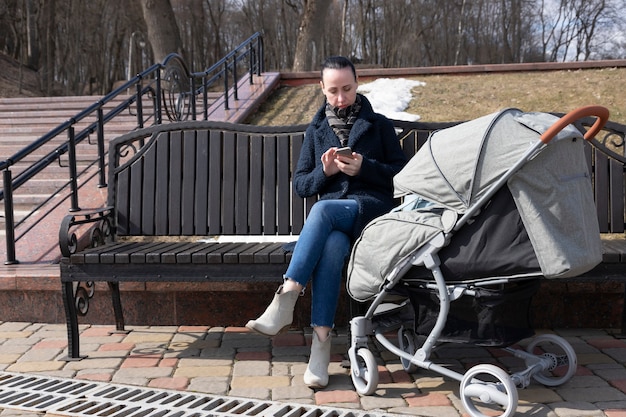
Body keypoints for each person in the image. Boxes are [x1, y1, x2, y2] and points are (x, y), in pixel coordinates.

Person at [245, 56, 407, 388]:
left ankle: (288, 294)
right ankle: (321, 345)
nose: (340, 98)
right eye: (332, 91)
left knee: (321, 212)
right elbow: (302, 185)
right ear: (321, 88)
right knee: (331, 246)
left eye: (347, 89)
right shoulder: (316, 130)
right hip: (334, 224)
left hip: (370, 212)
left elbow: (402, 177)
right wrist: (326, 172)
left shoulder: (379, 125)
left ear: (357, 84)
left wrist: (365, 169)